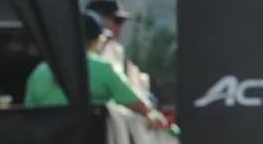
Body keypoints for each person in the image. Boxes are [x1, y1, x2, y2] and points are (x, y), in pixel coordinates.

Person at [24, 12, 166, 128]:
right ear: (97, 41)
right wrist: (152, 114)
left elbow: (28, 116)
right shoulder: (104, 69)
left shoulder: (39, 72)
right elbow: (138, 105)